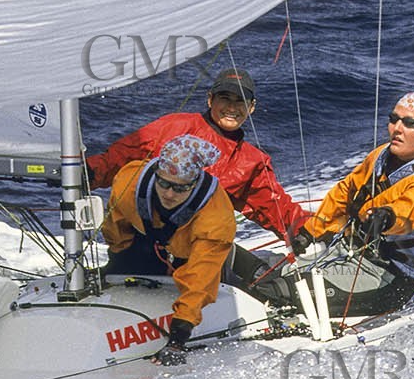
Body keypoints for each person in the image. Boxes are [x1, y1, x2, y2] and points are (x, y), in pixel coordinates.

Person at [87, 69, 307, 299]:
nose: (232, 107)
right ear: (210, 99)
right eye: (225, 98)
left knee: (270, 289)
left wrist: (315, 230)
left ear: (251, 107)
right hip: (138, 246)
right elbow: (119, 158)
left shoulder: (251, 161)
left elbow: (277, 209)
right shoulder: (174, 127)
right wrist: (84, 173)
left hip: (193, 258)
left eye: (240, 101)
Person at [290, 92, 414, 317]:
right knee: (278, 276)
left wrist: (387, 217)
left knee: (287, 290)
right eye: (393, 119)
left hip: (391, 280)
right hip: (352, 254)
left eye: (410, 123)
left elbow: (413, 207)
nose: (396, 128)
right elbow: (346, 191)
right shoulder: (381, 156)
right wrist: (311, 232)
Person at [101, 134, 236, 364]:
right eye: (163, 183)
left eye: (180, 188)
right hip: (146, 242)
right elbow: (116, 225)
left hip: (191, 257)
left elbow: (200, 279)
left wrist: (178, 336)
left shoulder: (216, 218)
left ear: (194, 184)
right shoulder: (128, 182)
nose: (169, 194)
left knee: (204, 289)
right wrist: (117, 262)